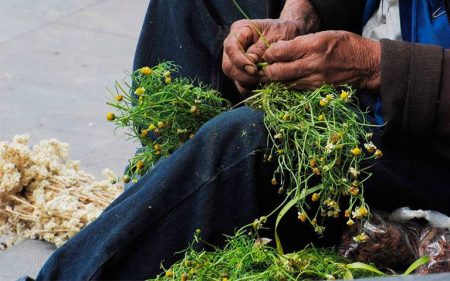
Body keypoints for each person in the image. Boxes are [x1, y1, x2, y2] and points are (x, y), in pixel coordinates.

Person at [34, 0, 450, 280]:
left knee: (251, 138)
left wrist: (373, 65)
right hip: (370, 94)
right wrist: (303, 13)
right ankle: (172, 190)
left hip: (430, 152)